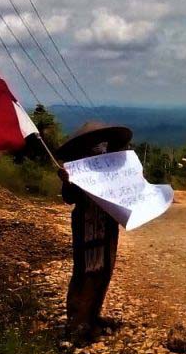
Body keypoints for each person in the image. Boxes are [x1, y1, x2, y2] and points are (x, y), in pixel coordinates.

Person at [56, 121, 132, 338]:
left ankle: (91, 316)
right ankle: (77, 322)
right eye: (95, 145)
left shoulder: (112, 170)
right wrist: (68, 181)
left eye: (102, 145)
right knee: (86, 271)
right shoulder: (78, 170)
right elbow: (68, 198)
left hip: (107, 226)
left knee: (104, 270)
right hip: (86, 225)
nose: (100, 149)